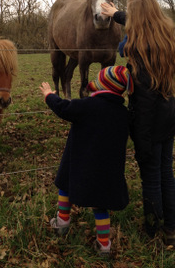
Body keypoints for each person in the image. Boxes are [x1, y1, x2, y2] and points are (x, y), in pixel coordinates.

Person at [101, 0, 175, 246]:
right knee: (167, 174)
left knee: (151, 178)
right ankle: (170, 228)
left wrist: (143, 142)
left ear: (136, 20)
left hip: (148, 125)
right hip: (169, 117)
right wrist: (117, 14)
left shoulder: (136, 50)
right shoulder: (171, 40)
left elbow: (145, 105)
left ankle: (152, 231)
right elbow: (143, 24)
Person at [39, 65, 134, 257]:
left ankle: (62, 222)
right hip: (107, 167)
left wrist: (49, 95)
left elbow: (63, 108)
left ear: (101, 86)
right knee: (101, 203)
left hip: (78, 159)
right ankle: (104, 244)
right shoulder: (123, 113)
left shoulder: (87, 105)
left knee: (65, 184)